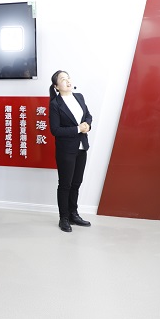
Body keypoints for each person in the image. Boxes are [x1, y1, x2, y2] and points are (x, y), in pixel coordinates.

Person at [48, 70, 93, 233]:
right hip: (66, 150)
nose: (67, 81)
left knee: (76, 183)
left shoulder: (79, 97)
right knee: (65, 184)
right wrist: (77, 129)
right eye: (63, 79)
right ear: (56, 86)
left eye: (68, 78)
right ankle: (64, 218)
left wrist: (87, 125)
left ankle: (74, 214)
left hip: (82, 147)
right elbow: (55, 130)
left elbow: (88, 115)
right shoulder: (55, 104)